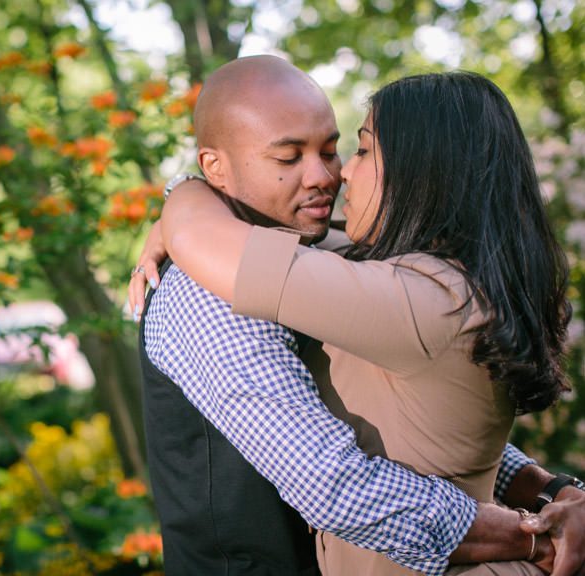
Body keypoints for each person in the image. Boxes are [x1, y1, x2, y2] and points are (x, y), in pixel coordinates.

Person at [129, 56, 585, 575]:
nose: (328, 175)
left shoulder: (352, 264)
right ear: (217, 167)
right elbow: (339, 481)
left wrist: (550, 493)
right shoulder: (204, 291)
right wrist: (534, 536)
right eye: (288, 157)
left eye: (334, 149)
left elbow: (406, 423)